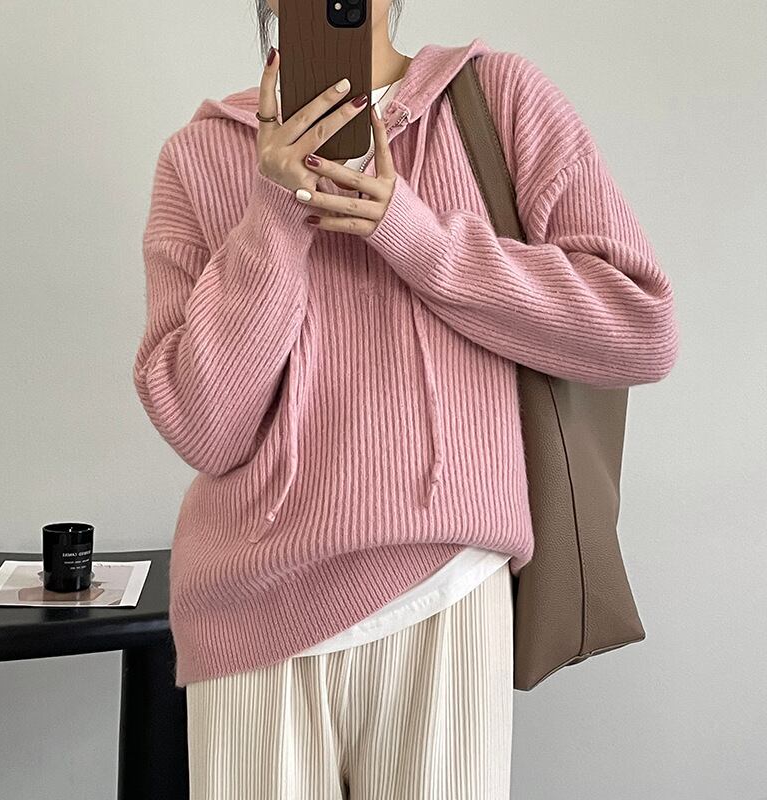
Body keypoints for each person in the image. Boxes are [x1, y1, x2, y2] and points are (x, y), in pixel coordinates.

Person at [132, 0, 679, 796]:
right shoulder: (197, 157)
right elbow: (204, 429)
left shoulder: (496, 100)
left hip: (444, 587)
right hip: (249, 618)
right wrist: (275, 214)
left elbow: (640, 328)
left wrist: (413, 236)